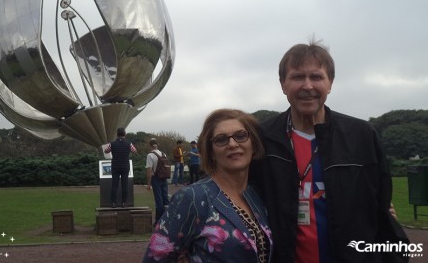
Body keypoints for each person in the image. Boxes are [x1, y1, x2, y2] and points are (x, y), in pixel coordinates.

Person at [250, 40, 409, 263]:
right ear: (283, 84)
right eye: (297, 77)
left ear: (330, 83)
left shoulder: (362, 136)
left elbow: (381, 211)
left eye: (316, 77)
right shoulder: (261, 138)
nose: (307, 86)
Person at [143, 109, 273, 263]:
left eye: (240, 136)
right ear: (211, 152)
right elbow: (156, 257)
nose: (232, 144)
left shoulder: (256, 195)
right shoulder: (192, 198)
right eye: (221, 139)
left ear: (253, 144)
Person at [104, 128, 136, 208]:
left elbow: (106, 151)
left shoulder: (112, 144)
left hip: (115, 166)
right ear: (124, 134)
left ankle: (113, 202)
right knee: (124, 184)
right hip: (125, 166)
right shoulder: (129, 144)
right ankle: (124, 202)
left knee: (115, 184)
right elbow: (135, 151)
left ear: (117, 134)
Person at [145, 138, 170, 225]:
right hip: (164, 178)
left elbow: (149, 169)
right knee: (165, 199)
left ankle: (158, 222)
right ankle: (167, 220)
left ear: (150, 145)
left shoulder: (150, 155)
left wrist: (149, 183)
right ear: (157, 144)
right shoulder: (164, 154)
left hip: (156, 178)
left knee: (159, 200)